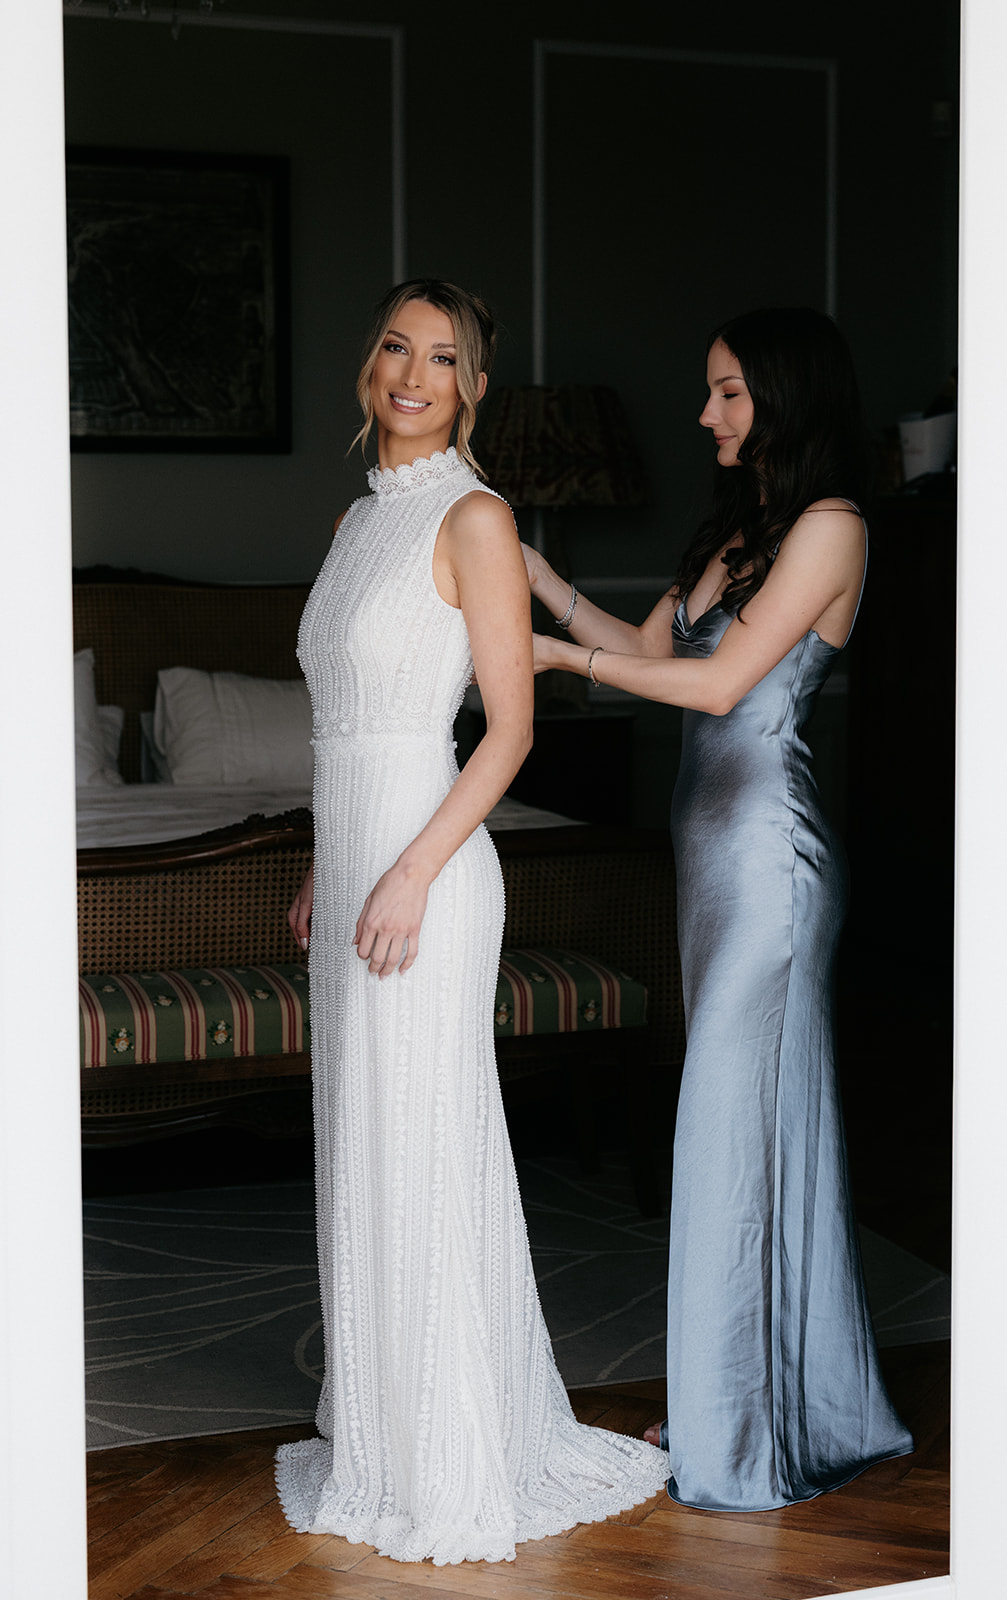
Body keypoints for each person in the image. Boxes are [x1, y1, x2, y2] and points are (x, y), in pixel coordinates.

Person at [274, 279, 668, 1564]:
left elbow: (508, 730)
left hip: (428, 874)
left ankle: (452, 1449)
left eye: (442, 358)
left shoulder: (476, 516)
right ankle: (384, 1430)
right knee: (363, 1145)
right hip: (357, 864)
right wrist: (329, 867)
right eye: (396, 346)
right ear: (369, 362)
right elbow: (342, 725)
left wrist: (404, 873)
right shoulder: (356, 520)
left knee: (424, 1145)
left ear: (473, 387)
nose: (411, 374)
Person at [523, 307, 914, 1512]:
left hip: (767, 865)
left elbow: (716, 684)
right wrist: (536, 580)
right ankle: (758, 1400)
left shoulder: (831, 526)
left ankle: (733, 1426)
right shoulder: (739, 530)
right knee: (745, 1133)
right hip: (708, 865)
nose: (704, 414)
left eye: (727, 392)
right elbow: (644, 646)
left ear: (786, 396)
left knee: (724, 1135)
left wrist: (558, 660)